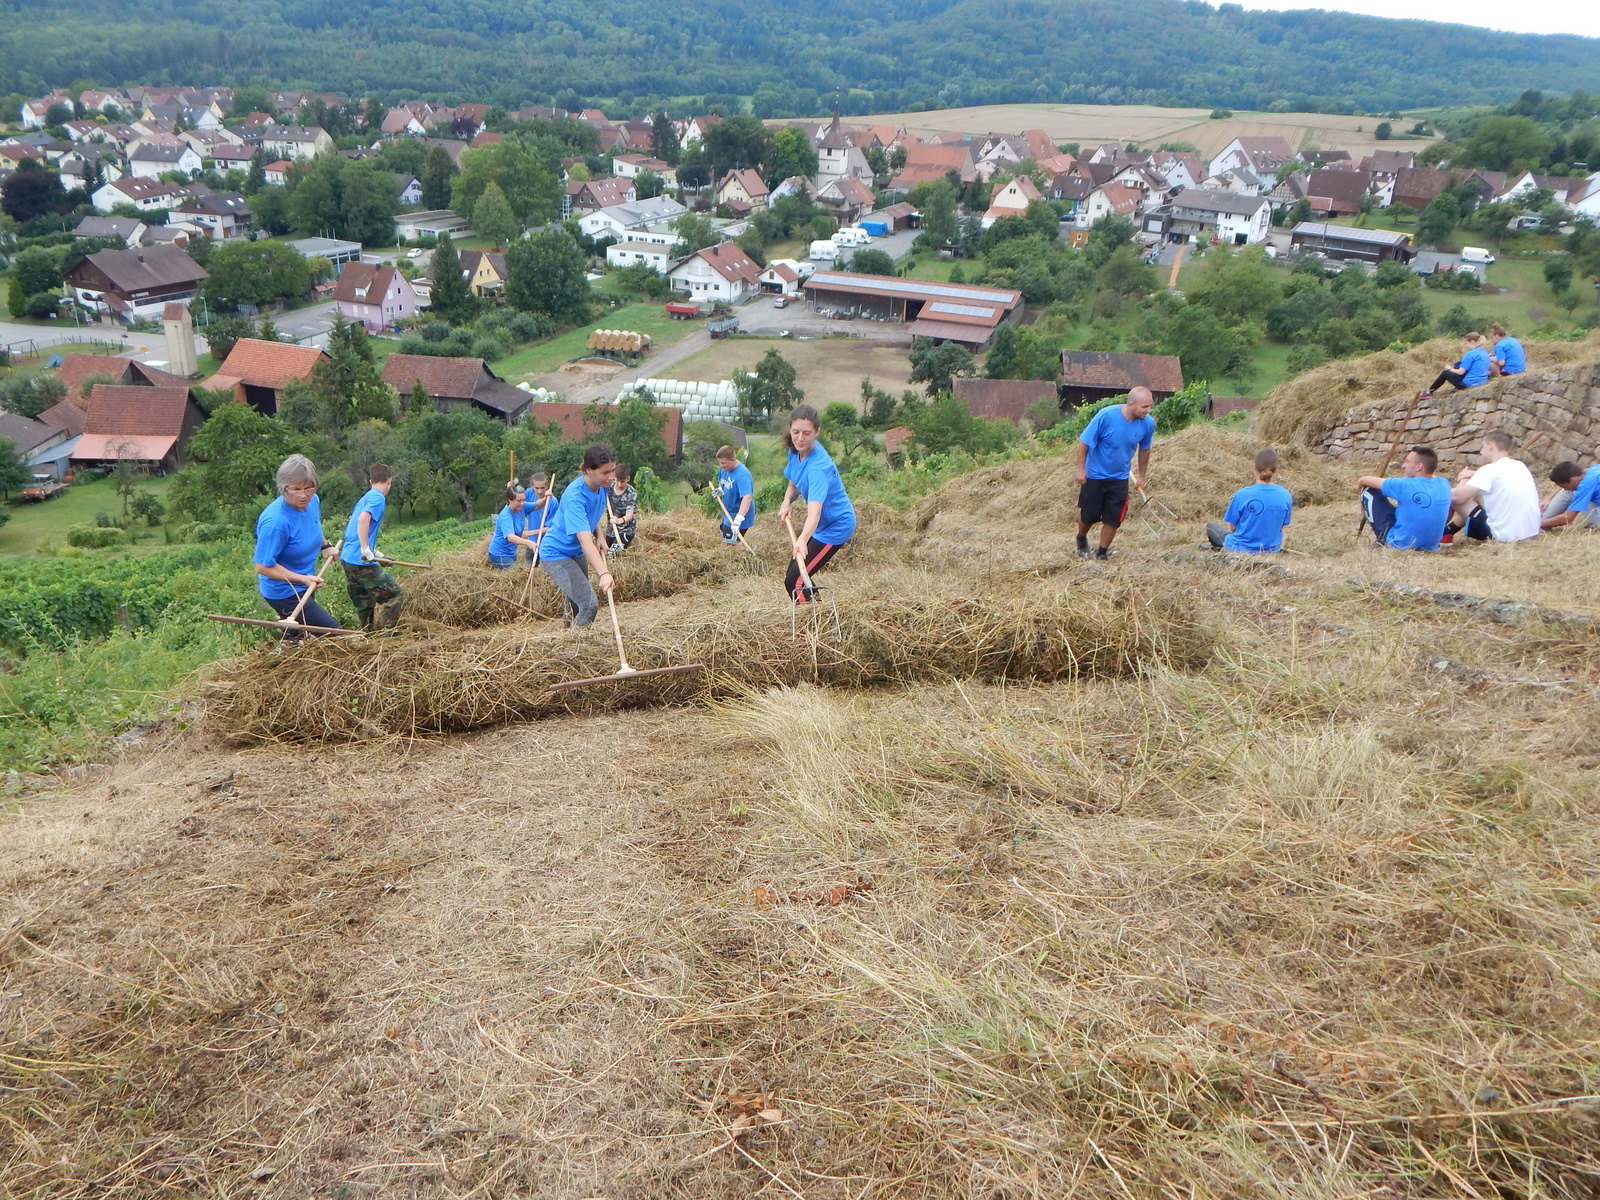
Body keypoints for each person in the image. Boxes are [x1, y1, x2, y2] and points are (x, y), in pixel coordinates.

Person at [253, 454, 342, 638]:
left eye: (308, 488)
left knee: (296, 634)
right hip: (284, 593)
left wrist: (326, 545)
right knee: (333, 633)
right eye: (296, 489)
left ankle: (287, 649)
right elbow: (262, 566)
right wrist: (303, 579)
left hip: (306, 584)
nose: (303, 495)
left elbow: (311, 526)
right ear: (284, 489)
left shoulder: (312, 501)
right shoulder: (276, 522)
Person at [778, 404, 856, 604]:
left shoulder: (818, 469)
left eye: (807, 433)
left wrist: (802, 539)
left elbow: (815, 513)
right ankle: (818, 608)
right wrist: (787, 500)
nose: (800, 438)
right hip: (820, 524)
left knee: (794, 580)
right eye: (796, 432)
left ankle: (813, 622)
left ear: (817, 432)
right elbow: (794, 480)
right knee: (796, 573)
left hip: (836, 525)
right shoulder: (795, 450)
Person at [540, 445, 617, 627]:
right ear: (589, 470)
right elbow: (584, 540)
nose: (611, 477)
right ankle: (574, 643)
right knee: (589, 605)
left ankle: (567, 630)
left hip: (575, 553)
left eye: (613, 471)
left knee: (576, 602)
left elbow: (591, 513)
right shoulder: (575, 497)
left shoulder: (602, 485)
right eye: (606, 472)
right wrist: (604, 573)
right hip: (557, 554)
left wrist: (599, 535)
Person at [1075, 386, 1155, 560]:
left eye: (1150, 406)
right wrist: (1080, 469)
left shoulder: (1148, 423)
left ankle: (1102, 553)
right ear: (1131, 404)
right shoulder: (1106, 416)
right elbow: (1085, 442)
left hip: (1120, 478)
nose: (1148, 411)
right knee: (1089, 515)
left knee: (1114, 519)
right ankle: (1081, 538)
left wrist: (1142, 476)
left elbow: (1145, 449)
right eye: (1144, 407)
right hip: (1095, 475)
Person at [1445, 431, 1541, 543]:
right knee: (1476, 495)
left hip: (1503, 536)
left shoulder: (1488, 470)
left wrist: (1463, 479)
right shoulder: (1520, 466)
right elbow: (1498, 480)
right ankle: (1448, 531)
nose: (1481, 451)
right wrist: (1474, 474)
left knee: (1453, 495)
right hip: (1531, 533)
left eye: (1483, 446)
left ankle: (1437, 533)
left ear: (1490, 445)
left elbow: (1457, 497)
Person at [340, 463, 402, 631]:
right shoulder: (377, 498)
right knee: (395, 595)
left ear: (370, 481)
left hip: (347, 558)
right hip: (360, 561)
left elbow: (354, 530)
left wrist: (375, 553)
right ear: (389, 480)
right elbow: (362, 520)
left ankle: (368, 636)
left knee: (364, 603)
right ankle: (387, 636)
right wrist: (366, 550)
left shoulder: (365, 498)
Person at [1357, 444, 1452, 552]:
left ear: (1419, 466)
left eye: (1407, 462)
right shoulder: (1444, 483)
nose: (1403, 465)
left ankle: (1383, 539)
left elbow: (1365, 480)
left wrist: (1360, 482)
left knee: (1368, 490)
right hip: (1431, 547)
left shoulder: (1405, 485)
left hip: (1400, 545)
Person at [1205, 449, 1293, 553]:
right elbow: (1282, 525)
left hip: (1240, 547)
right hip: (1271, 549)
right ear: (1275, 469)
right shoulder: (1285, 495)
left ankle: (1220, 549)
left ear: (1254, 466)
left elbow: (1233, 527)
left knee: (1211, 527)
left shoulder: (1242, 494)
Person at [1422, 332, 1491, 396]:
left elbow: (1461, 372)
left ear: (1472, 342)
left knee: (1445, 373)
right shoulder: (1485, 353)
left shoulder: (1470, 354)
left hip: (1469, 384)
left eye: (1466, 343)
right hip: (1482, 382)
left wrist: (1450, 369)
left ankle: (1429, 392)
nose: (1465, 346)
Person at [487, 486, 539, 568]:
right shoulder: (506, 516)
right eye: (519, 500)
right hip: (499, 555)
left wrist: (547, 496)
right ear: (510, 499)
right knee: (517, 574)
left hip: (511, 553)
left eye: (524, 500)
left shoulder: (521, 507)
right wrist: (528, 542)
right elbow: (511, 537)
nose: (522, 503)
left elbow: (537, 505)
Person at [1541, 460, 1600, 530]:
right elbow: (1566, 485)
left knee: (1571, 492)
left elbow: (1567, 518)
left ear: (1573, 479)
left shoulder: (1585, 486)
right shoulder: (1594, 469)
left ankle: (1540, 521)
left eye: (1565, 487)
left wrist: (1537, 524)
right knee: (1570, 491)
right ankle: (1543, 519)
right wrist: (1548, 498)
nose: (1565, 489)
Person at [715, 445, 755, 544]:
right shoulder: (724, 469)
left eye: (723, 463)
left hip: (739, 515)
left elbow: (747, 497)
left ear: (732, 460)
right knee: (723, 533)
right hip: (728, 512)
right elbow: (722, 481)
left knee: (731, 544)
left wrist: (739, 518)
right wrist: (720, 489)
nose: (721, 465)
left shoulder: (742, 475)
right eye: (719, 462)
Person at [522, 472, 555, 564]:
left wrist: (529, 533)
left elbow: (551, 527)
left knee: (543, 571)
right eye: (537, 488)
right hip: (531, 542)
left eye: (542, 488)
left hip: (546, 544)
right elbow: (516, 499)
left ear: (547, 486)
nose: (540, 491)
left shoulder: (553, 502)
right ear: (532, 486)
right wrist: (511, 488)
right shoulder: (528, 493)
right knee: (528, 568)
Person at [608, 466, 638, 553]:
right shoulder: (609, 487)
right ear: (614, 477)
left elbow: (629, 515)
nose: (619, 484)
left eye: (622, 482)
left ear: (628, 478)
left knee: (613, 553)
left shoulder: (631, 493)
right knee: (606, 551)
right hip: (611, 529)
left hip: (625, 530)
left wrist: (619, 521)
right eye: (617, 481)